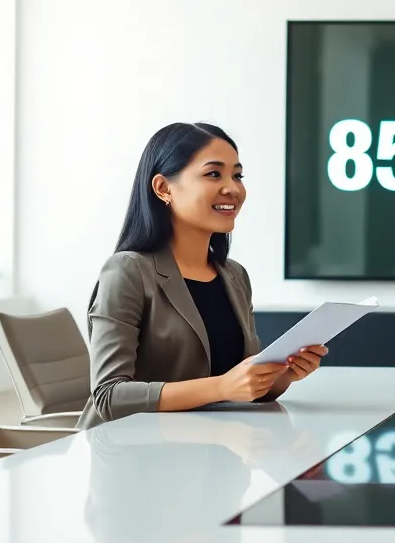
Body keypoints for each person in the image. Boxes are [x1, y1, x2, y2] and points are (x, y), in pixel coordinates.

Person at [77, 122, 328, 430]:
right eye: (213, 174)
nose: (232, 188)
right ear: (163, 188)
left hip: (214, 450)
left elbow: (243, 386)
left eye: (237, 175)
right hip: (135, 456)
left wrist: (282, 375)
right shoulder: (128, 271)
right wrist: (221, 387)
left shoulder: (234, 276)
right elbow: (109, 397)